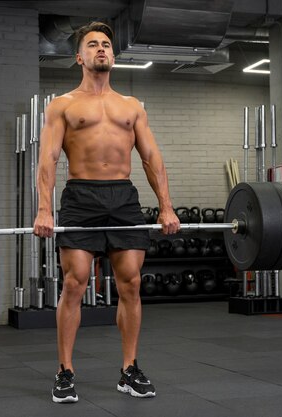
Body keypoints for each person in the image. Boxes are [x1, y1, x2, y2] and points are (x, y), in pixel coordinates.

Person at [33, 21, 180, 403]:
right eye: (93, 45)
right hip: (81, 196)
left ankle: (129, 369)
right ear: (78, 57)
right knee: (74, 282)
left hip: (123, 198)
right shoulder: (62, 105)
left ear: (113, 56)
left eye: (106, 45)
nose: (101, 49)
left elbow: (150, 157)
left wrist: (166, 206)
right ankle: (65, 370)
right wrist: (44, 209)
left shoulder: (131, 107)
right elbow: (48, 159)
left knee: (130, 282)